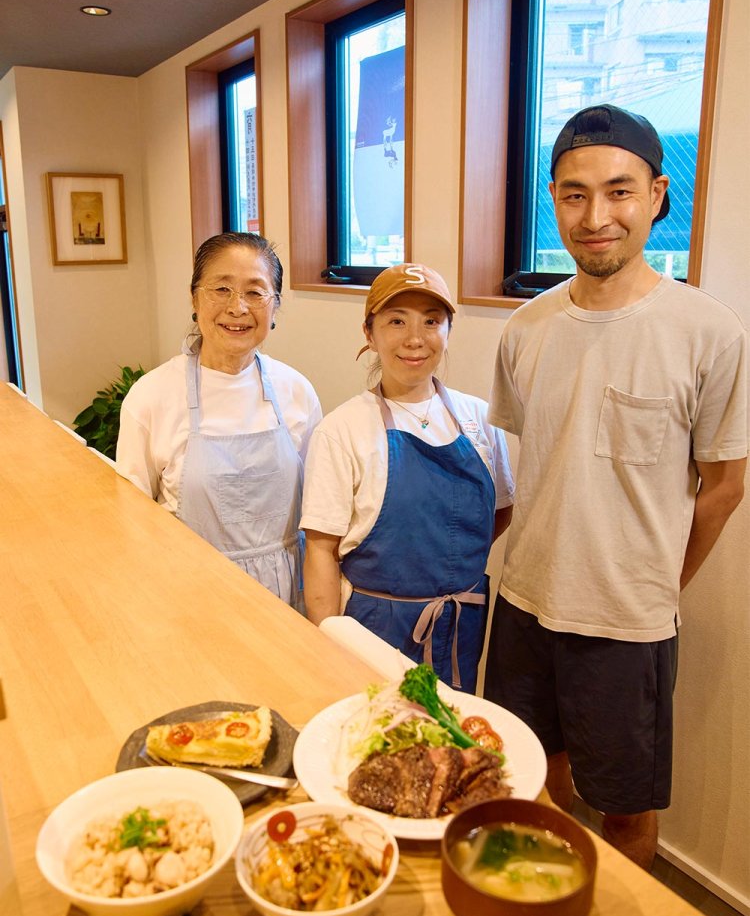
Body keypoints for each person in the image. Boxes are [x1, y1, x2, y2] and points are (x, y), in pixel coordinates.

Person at [484, 104, 747, 868]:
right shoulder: (525, 330)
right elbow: (537, 463)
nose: (596, 216)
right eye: (573, 194)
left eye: (619, 191)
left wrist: (659, 587)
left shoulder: (708, 332)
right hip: (526, 604)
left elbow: (725, 486)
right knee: (529, 780)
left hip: (627, 625)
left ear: (659, 195)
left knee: (627, 810)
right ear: (555, 200)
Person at [301, 262, 514, 692]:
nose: (415, 339)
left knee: (449, 744)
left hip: (459, 622)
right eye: (396, 321)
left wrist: (444, 567)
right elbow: (320, 550)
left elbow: (500, 513)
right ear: (369, 332)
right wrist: (328, 644)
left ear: (448, 331)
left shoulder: (478, 420)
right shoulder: (342, 431)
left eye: (431, 322)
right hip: (374, 628)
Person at [117, 232, 322, 608]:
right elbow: (134, 525)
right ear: (194, 298)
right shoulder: (151, 396)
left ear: (275, 306)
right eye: (221, 289)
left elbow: (318, 510)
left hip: (285, 592)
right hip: (188, 593)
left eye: (255, 292)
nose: (238, 307)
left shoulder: (296, 391)